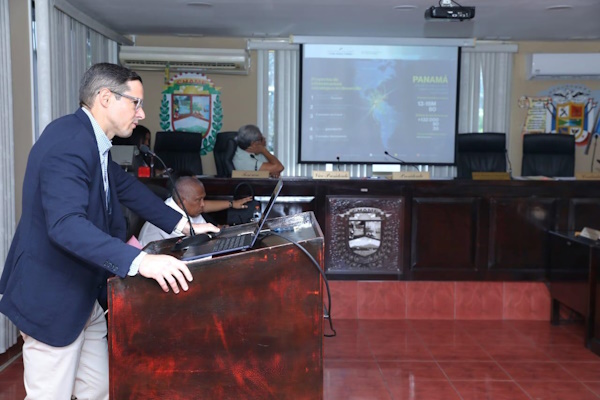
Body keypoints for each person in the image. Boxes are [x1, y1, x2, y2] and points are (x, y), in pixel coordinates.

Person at [0, 63, 219, 400]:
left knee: (99, 388)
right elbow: (66, 224)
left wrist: (185, 225)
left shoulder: (92, 141)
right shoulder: (68, 142)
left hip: (84, 293)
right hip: (53, 295)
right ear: (105, 98)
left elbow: (126, 187)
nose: (141, 113)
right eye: (136, 103)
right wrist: (140, 261)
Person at [138, 176, 252, 246]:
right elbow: (196, 247)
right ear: (182, 200)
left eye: (203, 199)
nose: (202, 204)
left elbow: (206, 234)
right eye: (198, 200)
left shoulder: (189, 208)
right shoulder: (169, 216)